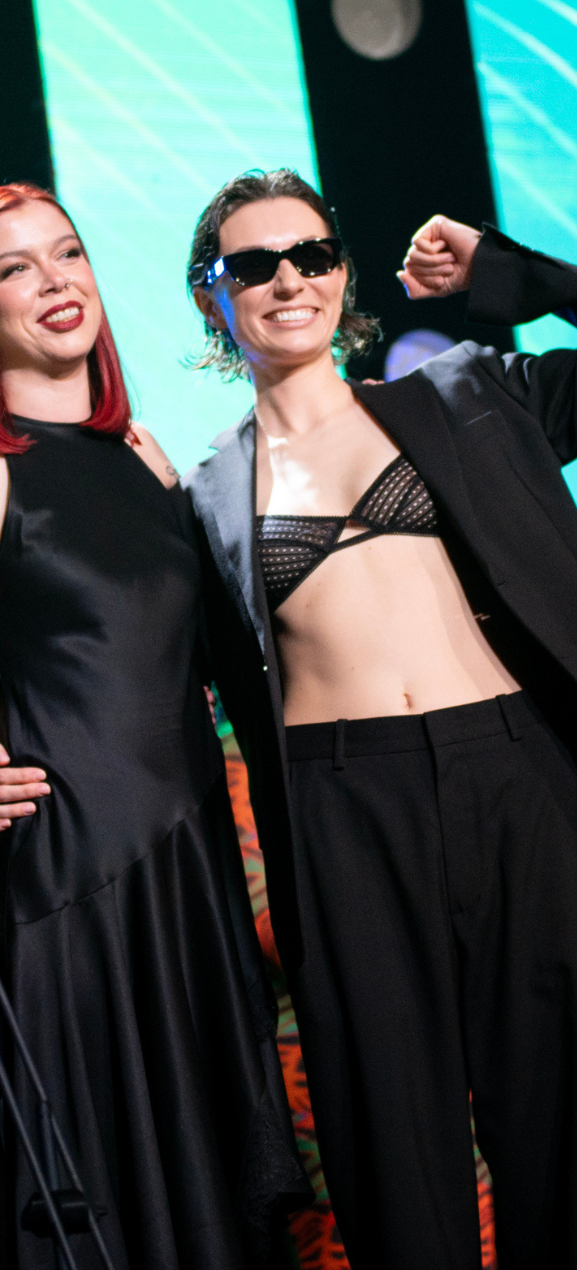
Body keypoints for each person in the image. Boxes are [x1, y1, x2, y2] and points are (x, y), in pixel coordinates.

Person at [184, 168, 577, 1270]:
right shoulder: (205, 495)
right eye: (254, 265)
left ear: (344, 273)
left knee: (561, 1121)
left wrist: (516, 275)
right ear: (212, 295)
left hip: (515, 775)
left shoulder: (466, 393)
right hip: (345, 813)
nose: (289, 281)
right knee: (393, 1148)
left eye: (311, 255)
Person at [0, 183, 307, 1270]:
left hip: (190, 879)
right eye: (15, 268)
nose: (55, 283)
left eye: (68, 254)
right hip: (69, 889)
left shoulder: (146, 453)